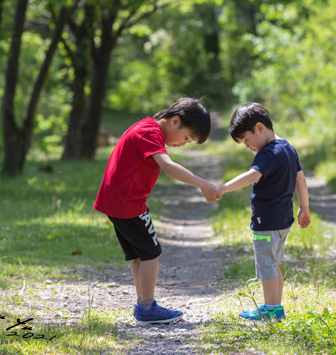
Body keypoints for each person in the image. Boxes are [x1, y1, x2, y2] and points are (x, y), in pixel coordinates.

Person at [94, 97, 220, 325]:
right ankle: (147, 308)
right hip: (128, 203)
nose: (183, 143)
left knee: (142, 255)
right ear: (175, 121)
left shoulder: (146, 127)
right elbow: (168, 166)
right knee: (152, 253)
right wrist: (202, 183)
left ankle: (144, 303)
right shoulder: (150, 132)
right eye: (186, 138)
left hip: (118, 201)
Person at [217, 102, 311, 321]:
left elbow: (252, 175)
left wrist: (223, 188)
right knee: (274, 263)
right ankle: (275, 307)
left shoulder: (268, 153)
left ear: (259, 128)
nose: (248, 146)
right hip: (283, 220)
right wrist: (304, 207)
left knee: (267, 266)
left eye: (246, 140)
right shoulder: (287, 147)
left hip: (266, 221)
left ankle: (270, 309)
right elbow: (300, 178)